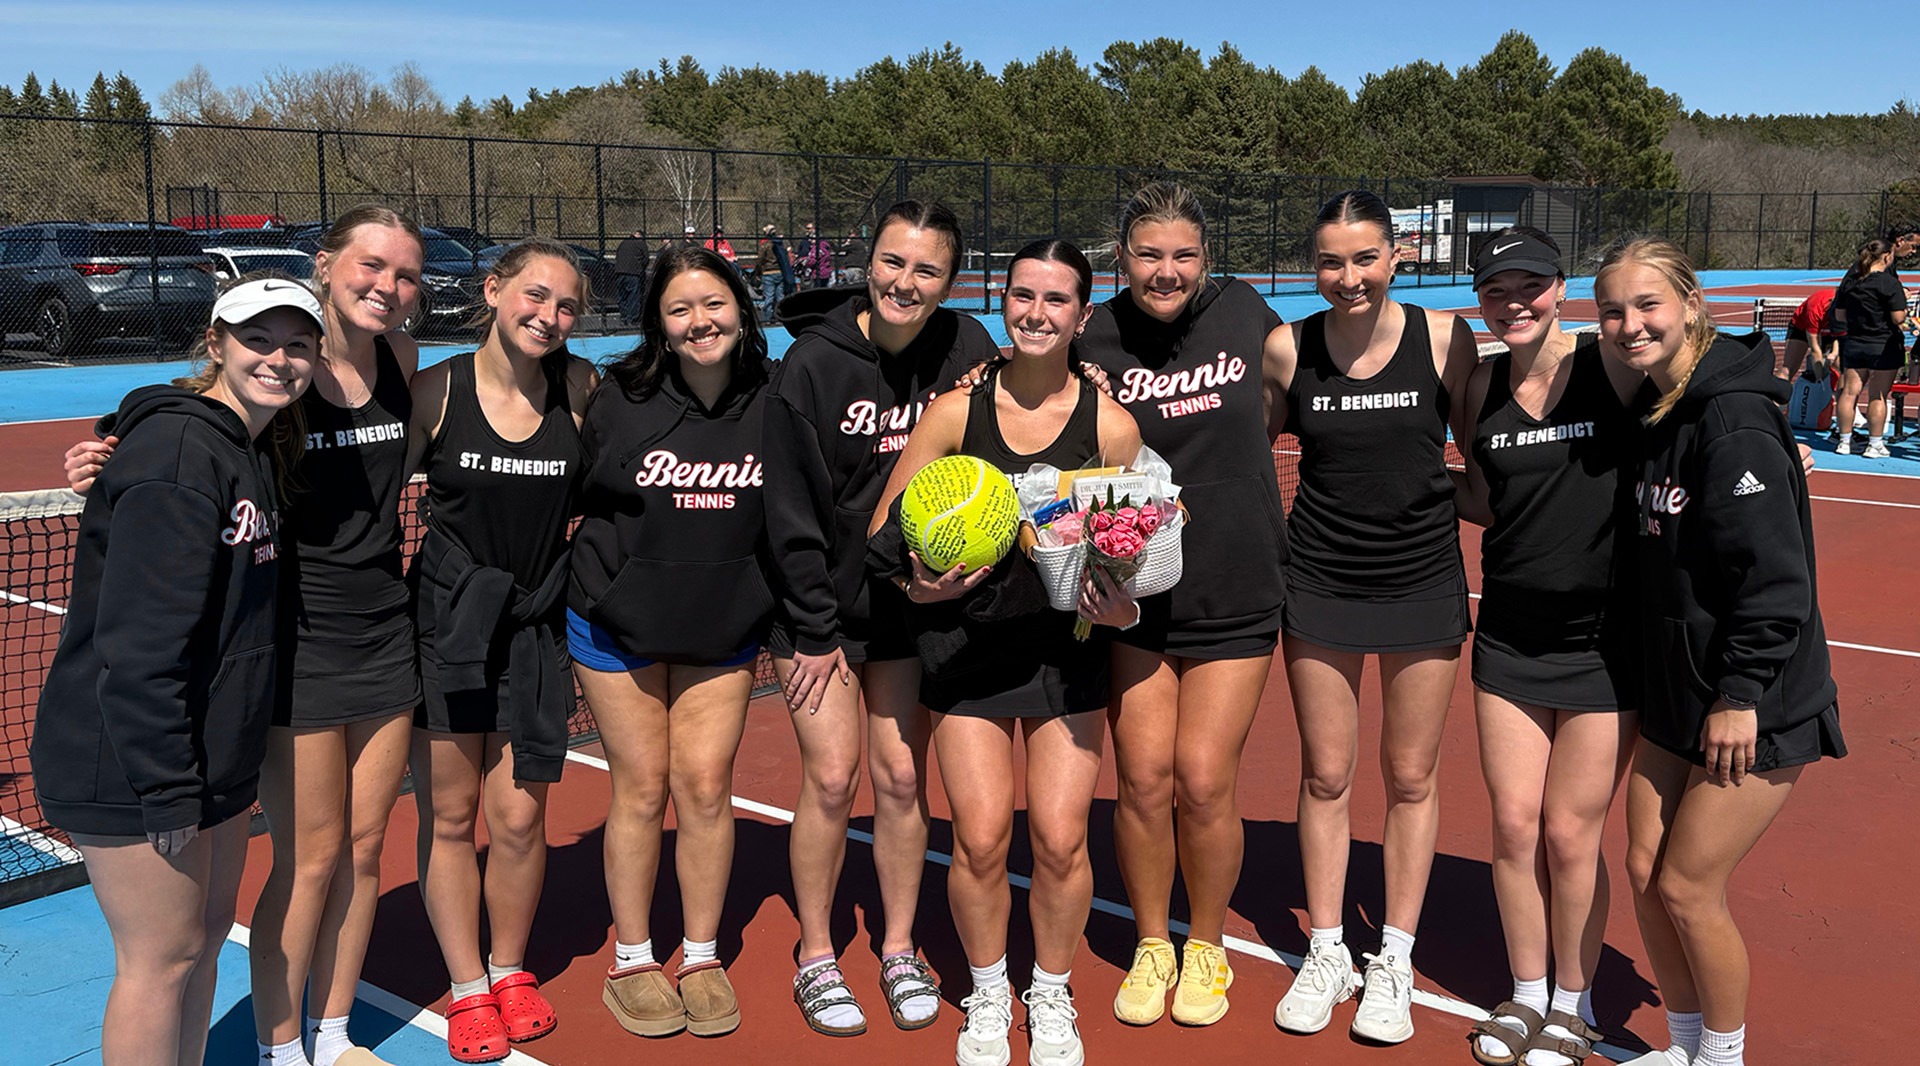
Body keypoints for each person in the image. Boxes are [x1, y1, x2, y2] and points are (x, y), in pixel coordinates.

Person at [69, 204, 430, 1066]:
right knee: (308, 859)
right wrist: (103, 455)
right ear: (327, 263)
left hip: (386, 633)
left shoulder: (402, 361)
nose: (386, 286)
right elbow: (178, 427)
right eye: (370, 266)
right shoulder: (272, 379)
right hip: (293, 639)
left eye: (405, 273)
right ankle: (280, 1044)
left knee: (367, 850)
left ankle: (334, 1031)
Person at [32, 273, 320, 1066]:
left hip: (210, 754)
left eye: (298, 344)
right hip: (135, 762)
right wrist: (165, 783)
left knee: (194, 955)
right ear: (216, 345)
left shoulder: (247, 447)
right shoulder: (180, 451)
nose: (278, 358)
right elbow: (142, 642)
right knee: (160, 966)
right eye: (257, 339)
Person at [869, 240, 1142, 1066]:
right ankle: (989, 990)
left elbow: (1131, 554)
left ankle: (1049, 993)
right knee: (983, 839)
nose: (1037, 313)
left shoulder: (1112, 427)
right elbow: (884, 532)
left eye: (1057, 301)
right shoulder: (957, 414)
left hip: (1067, 657)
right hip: (967, 653)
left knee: (1060, 840)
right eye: (1023, 296)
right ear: (1003, 303)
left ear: (1082, 317)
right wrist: (924, 589)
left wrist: (1123, 602)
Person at [1595, 238, 1843, 1066]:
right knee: (1642, 870)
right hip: (1677, 691)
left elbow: (1776, 584)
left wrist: (1739, 693)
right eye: (1613, 311)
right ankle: (1685, 1045)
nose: (1630, 325)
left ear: (1692, 305)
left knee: (1686, 885)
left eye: (1648, 306)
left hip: (1751, 699)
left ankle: (1723, 1059)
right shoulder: (1656, 410)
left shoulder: (1733, 420)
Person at [763, 200, 1000, 1037]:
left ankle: (899, 945)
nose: (907, 282)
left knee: (901, 780)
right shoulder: (812, 367)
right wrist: (814, 628)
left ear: (951, 279)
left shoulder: (968, 349)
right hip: (821, 614)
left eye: (927, 269)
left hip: (910, 605)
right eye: (894, 263)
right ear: (869, 263)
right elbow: (787, 515)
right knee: (832, 780)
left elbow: (1011, 427)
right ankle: (817, 955)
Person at [1071, 182, 1289, 1030]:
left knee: (1203, 781)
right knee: (1143, 781)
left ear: (1207, 259)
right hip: (1133, 599)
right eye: (1148, 254)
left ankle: (1206, 943)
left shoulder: (1243, 310)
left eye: (1184, 255)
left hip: (1236, 584)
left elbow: (1280, 408)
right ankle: (1152, 942)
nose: (1167, 272)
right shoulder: (1092, 333)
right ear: (1120, 258)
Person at [1267, 190, 1478, 1045]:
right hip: (1318, 582)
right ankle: (1327, 948)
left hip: (1423, 583)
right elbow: (1245, 459)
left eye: (1364, 258)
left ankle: (1392, 955)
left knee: (1412, 777)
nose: (1348, 278)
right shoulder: (1290, 348)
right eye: (1330, 261)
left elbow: (1487, 456)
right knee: (1325, 774)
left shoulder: (1445, 340)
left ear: (1396, 257)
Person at [568, 245, 773, 1042]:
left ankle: (701, 953)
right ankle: (632, 958)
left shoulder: (776, 396)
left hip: (721, 626)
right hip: (614, 623)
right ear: (658, 320)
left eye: (714, 304)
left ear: (741, 309)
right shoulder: (616, 397)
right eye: (680, 308)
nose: (700, 322)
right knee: (642, 788)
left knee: (705, 788)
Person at [405, 239, 597, 1063]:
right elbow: (355, 486)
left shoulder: (584, 389)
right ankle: (467, 985)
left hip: (533, 628)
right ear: (493, 290)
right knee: (451, 818)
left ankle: (510, 970)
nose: (549, 317)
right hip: (447, 627)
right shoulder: (436, 393)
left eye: (567, 308)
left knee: (520, 818)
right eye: (535, 295)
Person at [1454, 230, 1642, 1066]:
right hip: (1509, 639)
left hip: (1607, 646)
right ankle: (1527, 994)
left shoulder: (1613, 367)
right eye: (1497, 291)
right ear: (1481, 301)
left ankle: (1576, 1001)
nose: (1514, 303)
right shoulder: (1481, 386)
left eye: (1530, 286)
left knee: (1572, 834)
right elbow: (1490, 500)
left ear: (1561, 290)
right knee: (1512, 826)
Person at [1830, 239, 1909, 457]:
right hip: (1884, 344)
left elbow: (1839, 315)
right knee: (1878, 395)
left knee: (1848, 392)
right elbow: (1897, 318)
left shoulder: (1851, 282)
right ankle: (1874, 444)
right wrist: (1903, 303)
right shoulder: (1890, 283)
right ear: (1886, 257)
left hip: (1855, 342)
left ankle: (1844, 441)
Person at [1781, 287, 1837, 383]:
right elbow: (1815, 349)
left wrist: (1834, 354)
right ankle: (1774, 396)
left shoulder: (1848, 310)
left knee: (1842, 366)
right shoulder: (1814, 310)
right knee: (1789, 368)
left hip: (1830, 329)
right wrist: (1819, 379)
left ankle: (1838, 394)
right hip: (1801, 327)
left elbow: (1840, 337)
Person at [613, 229, 650, 327]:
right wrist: (641, 268)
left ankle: (624, 317)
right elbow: (646, 259)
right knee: (633, 296)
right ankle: (632, 318)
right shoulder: (641, 244)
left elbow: (617, 256)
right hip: (633, 273)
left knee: (622, 296)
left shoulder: (623, 243)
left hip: (620, 272)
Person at [795, 221, 834, 291]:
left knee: (816, 291)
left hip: (818, 273)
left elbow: (813, 260)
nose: (810, 241)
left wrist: (805, 262)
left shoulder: (817, 248)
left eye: (812, 239)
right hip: (825, 273)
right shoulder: (824, 246)